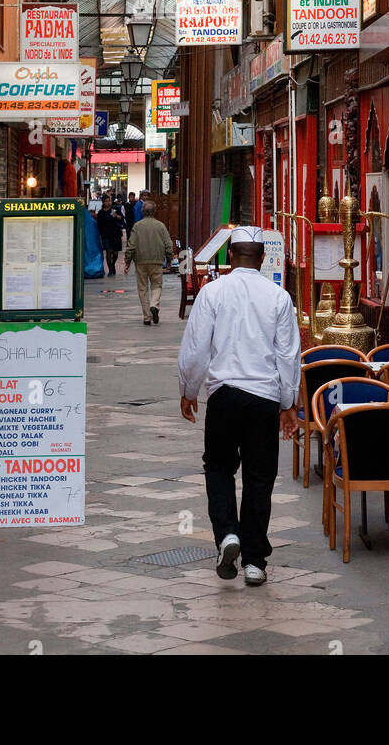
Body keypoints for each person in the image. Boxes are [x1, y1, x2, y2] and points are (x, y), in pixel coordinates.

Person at [177, 225, 300, 587]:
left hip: (224, 396)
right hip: (263, 398)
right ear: (262, 259)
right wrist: (289, 404)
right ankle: (255, 561)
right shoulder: (279, 297)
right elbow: (288, 357)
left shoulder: (212, 292)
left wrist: (188, 389)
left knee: (218, 468)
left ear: (229, 256)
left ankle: (227, 535)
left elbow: (196, 347)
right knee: (260, 477)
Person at [124, 200, 174, 326]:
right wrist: (169, 259)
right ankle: (154, 304)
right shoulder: (161, 226)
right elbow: (168, 245)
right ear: (154, 211)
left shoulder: (137, 226)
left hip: (140, 261)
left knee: (143, 288)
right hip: (157, 261)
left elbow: (131, 245)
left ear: (142, 211)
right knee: (157, 285)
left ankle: (147, 316)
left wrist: (127, 262)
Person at [97, 193, 125, 277]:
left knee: (115, 253)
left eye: (109, 201)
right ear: (103, 202)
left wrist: (116, 215)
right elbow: (99, 224)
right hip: (106, 234)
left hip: (115, 233)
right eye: (106, 201)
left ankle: (113, 265)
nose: (108, 202)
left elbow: (122, 218)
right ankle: (110, 270)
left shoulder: (114, 209)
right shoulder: (101, 212)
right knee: (109, 251)